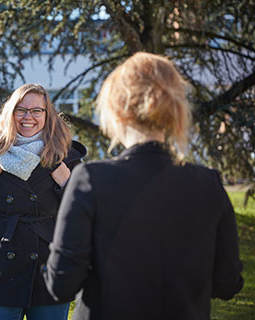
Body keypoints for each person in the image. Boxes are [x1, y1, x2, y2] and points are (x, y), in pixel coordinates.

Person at [43, 52, 244, 320]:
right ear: (175, 109)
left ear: (117, 110)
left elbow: (61, 284)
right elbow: (228, 283)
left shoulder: (91, 180)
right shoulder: (208, 184)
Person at [0, 83, 86, 320]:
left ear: (47, 116)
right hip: (2, 270)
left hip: (50, 268)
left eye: (37, 111)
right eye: (21, 110)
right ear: (11, 113)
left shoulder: (64, 156)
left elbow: (86, 214)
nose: (29, 117)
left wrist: (67, 182)